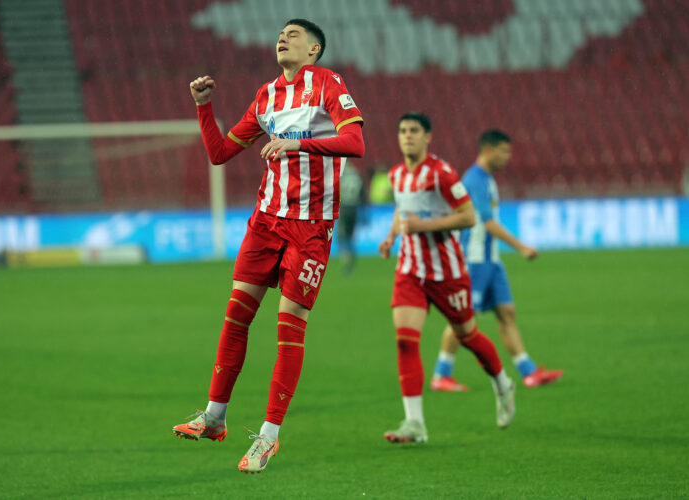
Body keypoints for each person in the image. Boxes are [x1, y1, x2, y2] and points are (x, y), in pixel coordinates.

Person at [172, 19, 364, 474]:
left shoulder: (328, 83)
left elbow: (355, 142)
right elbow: (220, 153)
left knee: (288, 327)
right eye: (280, 34)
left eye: (293, 35)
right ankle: (213, 416)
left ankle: (269, 436)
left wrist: (296, 146)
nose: (283, 38)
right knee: (236, 315)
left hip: (311, 227)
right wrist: (204, 106)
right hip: (265, 222)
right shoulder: (266, 95)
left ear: (314, 49)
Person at [379, 113, 515, 444]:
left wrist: (424, 226)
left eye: (414, 130)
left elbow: (469, 217)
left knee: (467, 335)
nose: (407, 136)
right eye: (402, 130)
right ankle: (415, 423)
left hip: (447, 272)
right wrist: (391, 236)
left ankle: (502, 384)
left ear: (427, 137)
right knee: (405, 340)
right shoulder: (396, 175)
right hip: (410, 269)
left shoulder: (442, 173)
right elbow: (402, 208)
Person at [431, 130, 563, 392]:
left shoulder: (486, 179)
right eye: (504, 151)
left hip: (492, 260)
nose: (508, 156)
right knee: (463, 319)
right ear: (488, 150)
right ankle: (441, 374)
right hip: (476, 260)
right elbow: (488, 223)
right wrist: (522, 247)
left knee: (507, 313)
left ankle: (529, 372)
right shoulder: (475, 179)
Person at [337, 163, 366, 275]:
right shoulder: (357, 176)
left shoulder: (342, 177)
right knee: (350, 236)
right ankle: (352, 256)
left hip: (344, 208)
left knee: (341, 235)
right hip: (354, 208)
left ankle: (346, 257)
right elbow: (362, 193)